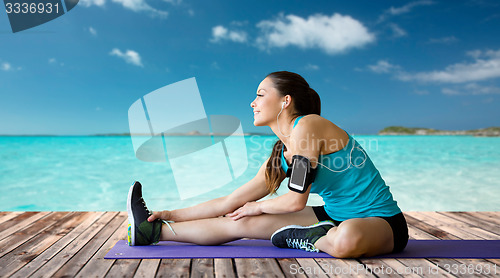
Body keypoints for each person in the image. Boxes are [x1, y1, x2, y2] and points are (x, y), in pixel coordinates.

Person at [127, 71, 408, 258]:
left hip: (381, 223)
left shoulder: (309, 126)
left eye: (260, 94)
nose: (252, 102)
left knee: (347, 240)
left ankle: (308, 238)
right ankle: (150, 232)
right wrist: (170, 214)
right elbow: (230, 202)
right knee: (239, 220)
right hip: (331, 216)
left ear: (285, 101)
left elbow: (296, 201)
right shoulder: (280, 155)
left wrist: (259, 206)